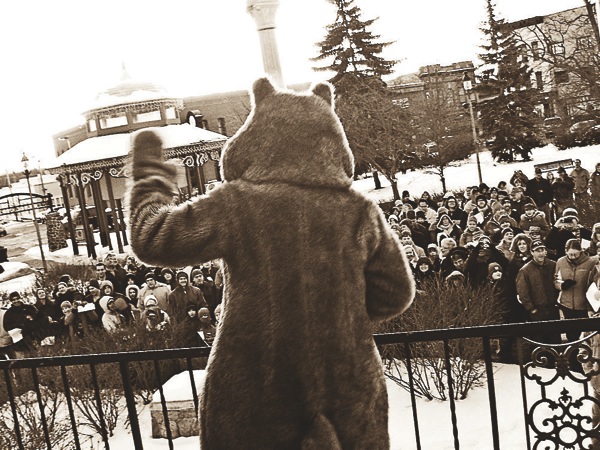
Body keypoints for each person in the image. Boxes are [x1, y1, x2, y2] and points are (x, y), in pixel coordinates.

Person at [515, 240, 561, 344]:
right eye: (537, 251)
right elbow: (522, 292)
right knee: (540, 341)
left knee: (555, 339)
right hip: (538, 311)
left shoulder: (553, 265)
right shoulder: (525, 270)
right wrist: (532, 309)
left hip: (553, 308)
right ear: (532, 252)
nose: (540, 253)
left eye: (542, 250)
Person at [554, 239, 598, 342]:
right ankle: (572, 356)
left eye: (575, 254)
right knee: (571, 334)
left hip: (583, 304)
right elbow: (556, 280)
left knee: (586, 334)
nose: (572, 257)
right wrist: (562, 285)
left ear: (580, 251)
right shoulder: (561, 262)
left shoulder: (591, 262)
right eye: (570, 254)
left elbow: (594, 283)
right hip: (567, 304)